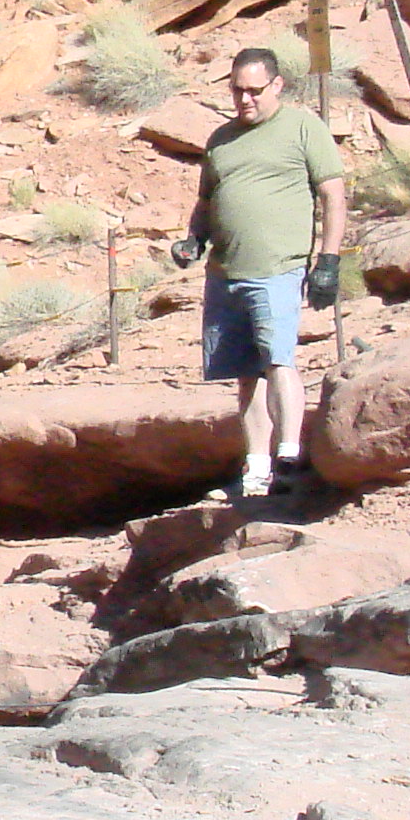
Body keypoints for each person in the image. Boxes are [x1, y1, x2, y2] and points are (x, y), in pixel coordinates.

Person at [171, 48, 347, 499]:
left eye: (254, 90)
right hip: (225, 272)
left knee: (278, 360)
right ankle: (257, 467)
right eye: (237, 90)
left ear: (277, 85)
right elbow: (207, 201)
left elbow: (332, 194)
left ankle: (289, 455)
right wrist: (195, 240)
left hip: (277, 268)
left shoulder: (303, 128)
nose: (244, 99)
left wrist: (328, 260)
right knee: (246, 374)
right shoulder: (221, 139)